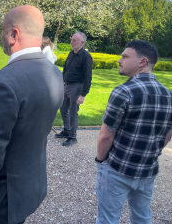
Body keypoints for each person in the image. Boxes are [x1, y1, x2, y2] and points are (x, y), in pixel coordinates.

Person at [0, 5, 64, 224]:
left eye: (2, 30)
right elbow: (29, 114)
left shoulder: (6, 82)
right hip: (29, 186)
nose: (0, 36)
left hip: (0, 198)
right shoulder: (54, 73)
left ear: (14, 34)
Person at [95, 40, 172, 223]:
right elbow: (168, 132)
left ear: (143, 62)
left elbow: (106, 135)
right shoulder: (168, 94)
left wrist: (100, 161)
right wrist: (154, 152)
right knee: (142, 217)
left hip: (118, 168)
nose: (119, 60)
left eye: (125, 56)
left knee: (107, 219)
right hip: (148, 170)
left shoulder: (124, 92)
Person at [55, 32, 92, 146]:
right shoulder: (71, 54)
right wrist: (61, 84)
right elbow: (65, 70)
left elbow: (88, 76)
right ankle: (66, 130)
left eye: (74, 40)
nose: (71, 42)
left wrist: (83, 94)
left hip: (77, 87)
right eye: (72, 40)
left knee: (73, 112)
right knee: (63, 108)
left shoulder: (86, 56)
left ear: (82, 43)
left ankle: (72, 137)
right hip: (67, 85)